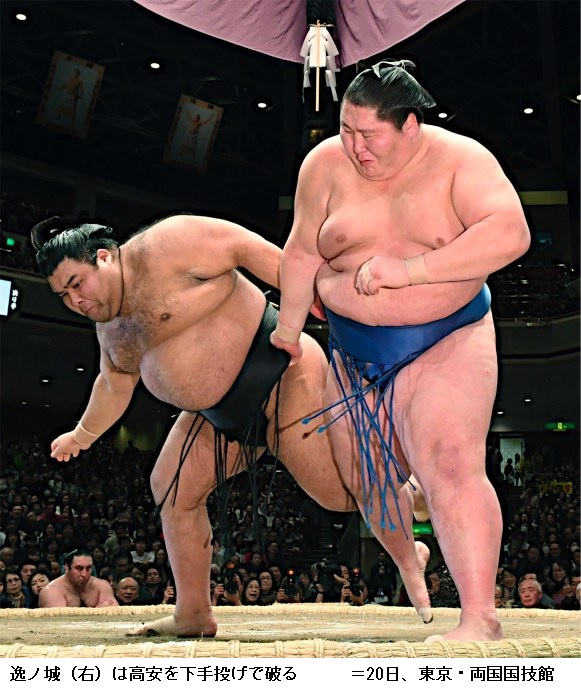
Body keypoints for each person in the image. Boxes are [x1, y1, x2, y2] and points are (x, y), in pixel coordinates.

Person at [271, 59, 530, 642]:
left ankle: (480, 618)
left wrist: (411, 270)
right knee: (366, 480)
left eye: (369, 135)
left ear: (410, 125)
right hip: (350, 350)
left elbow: (509, 234)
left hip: (445, 338)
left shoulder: (461, 160)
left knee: (452, 464)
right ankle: (410, 562)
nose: (355, 147)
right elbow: (302, 251)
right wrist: (288, 329)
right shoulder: (324, 165)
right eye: (346, 130)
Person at [30, 212, 362, 638]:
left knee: (341, 496)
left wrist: (307, 295)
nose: (75, 301)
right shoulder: (109, 331)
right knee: (171, 489)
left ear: (104, 257)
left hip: (283, 377)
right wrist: (82, 434)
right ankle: (192, 613)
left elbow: (244, 246)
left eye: (77, 283)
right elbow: (113, 385)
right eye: (63, 295)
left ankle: (413, 496)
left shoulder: (169, 243)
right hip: (221, 418)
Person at [39, 549, 118, 607]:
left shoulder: (101, 586)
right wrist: (98, 611)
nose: (84, 574)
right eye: (79, 568)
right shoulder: (51, 591)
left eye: (88, 568)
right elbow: (62, 622)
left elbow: (114, 615)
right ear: (67, 567)